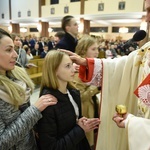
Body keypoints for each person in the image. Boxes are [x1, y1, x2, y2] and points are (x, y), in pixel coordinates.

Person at [59, 1, 150, 147]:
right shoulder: (147, 50)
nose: (147, 18)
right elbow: (125, 65)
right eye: (146, 11)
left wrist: (134, 124)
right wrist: (87, 63)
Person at [0, 28, 57, 150]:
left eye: (14, 49)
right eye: (9, 50)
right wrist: (35, 110)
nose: (15, 54)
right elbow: (2, 142)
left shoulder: (15, 76)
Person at [36, 50, 100, 150]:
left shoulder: (73, 92)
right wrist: (80, 129)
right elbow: (50, 147)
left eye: (71, 65)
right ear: (54, 70)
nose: (73, 70)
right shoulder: (48, 102)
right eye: (67, 66)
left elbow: (70, 121)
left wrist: (81, 121)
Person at [73, 35, 100, 147]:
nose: (97, 52)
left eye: (97, 49)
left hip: (91, 105)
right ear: (83, 51)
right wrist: (96, 87)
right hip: (84, 110)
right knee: (86, 142)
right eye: (93, 49)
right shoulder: (77, 69)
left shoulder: (91, 67)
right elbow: (80, 96)